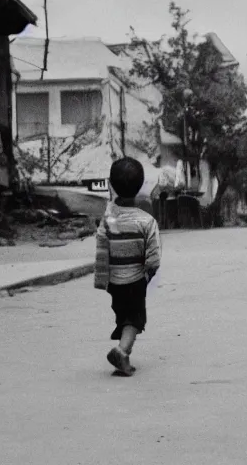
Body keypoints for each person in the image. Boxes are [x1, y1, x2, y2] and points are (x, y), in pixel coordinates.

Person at [94, 157, 161, 376]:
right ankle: (121, 351)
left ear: (112, 185)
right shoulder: (146, 221)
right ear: (141, 185)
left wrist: (103, 279)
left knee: (124, 316)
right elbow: (153, 257)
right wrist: (149, 273)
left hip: (115, 283)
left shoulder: (108, 220)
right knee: (135, 318)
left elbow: (102, 249)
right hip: (135, 281)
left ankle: (124, 355)